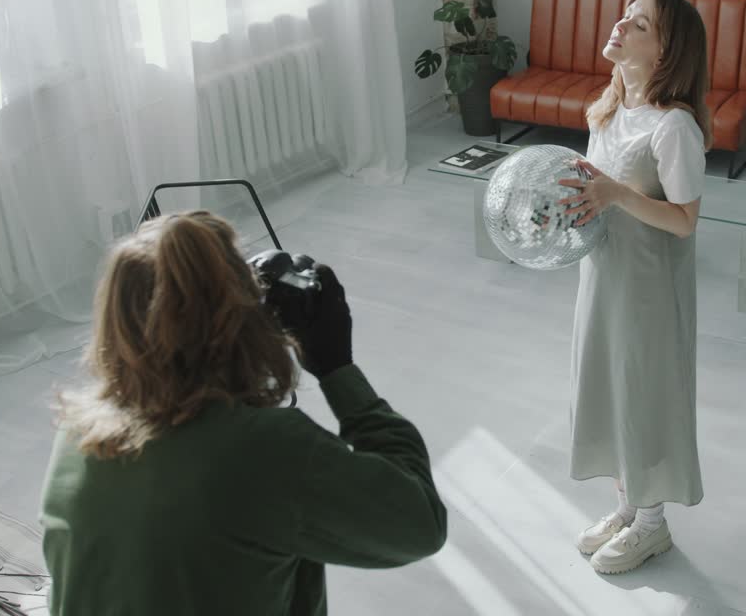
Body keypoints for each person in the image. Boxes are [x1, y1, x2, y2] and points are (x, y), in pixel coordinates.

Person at [38, 210, 447, 615]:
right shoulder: (265, 449)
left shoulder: (76, 432)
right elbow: (420, 525)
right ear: (237, 322)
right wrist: (336, 367)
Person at [557, 0, 711, 575]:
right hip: (603, 277)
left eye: (639, 24)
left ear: (667, 51)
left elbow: (684, 222)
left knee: (644, 396)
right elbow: (601, 191)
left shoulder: (674, 129)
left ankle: (653, 524)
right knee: (610, 389)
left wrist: (617, 194)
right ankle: (627, 507)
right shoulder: (611, 109)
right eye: (625, 16)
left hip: (647, 291)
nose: (621, 27)